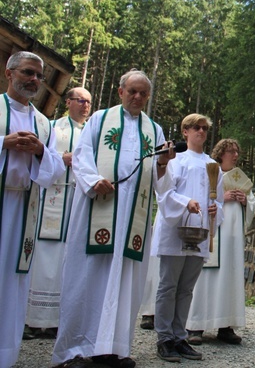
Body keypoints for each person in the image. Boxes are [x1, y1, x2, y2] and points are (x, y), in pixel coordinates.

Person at [52, 69, 174, 368]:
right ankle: (77, 349)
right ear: (120, 92)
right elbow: (81, 156)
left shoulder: (153, 129)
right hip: (99, 209)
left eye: (143, 93)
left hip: (134, 217)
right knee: (88, 278)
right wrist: (94, 180)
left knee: (125, 282)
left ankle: (114, 349)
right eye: (132, 91)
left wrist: (163, 162)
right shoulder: (100, 119)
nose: (137, 97)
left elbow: (161, 180)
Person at [0, 51, 66, 368]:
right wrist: (4, 143)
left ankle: (5, 355)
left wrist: (40, 150)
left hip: (24, 207)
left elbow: (54, 170)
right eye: (28, 72)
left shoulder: (43, 122)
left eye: (39, 76)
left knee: (13, 282)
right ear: (9, 73)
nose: (35, 81)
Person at [151, 113, 224, 362]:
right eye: (195, 127)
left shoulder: (212, 164)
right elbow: (163, 193)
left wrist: (216, 210)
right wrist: (186, 202)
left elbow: (219, 200)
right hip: (175, 230)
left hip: (199, 232)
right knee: (168, 286)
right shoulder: (175, 160)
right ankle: (164, 338)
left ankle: (180, 338)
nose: (201, 131)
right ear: (185, 131)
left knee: (186, 289)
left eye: (204, 128)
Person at [25, 87, 91, 340]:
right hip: (53, 197)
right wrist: (63, 158)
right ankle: (31, 320)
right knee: (43, 257)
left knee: (69, 259)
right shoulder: (53, 127)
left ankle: (55, 321)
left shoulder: (91, 132)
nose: (84, 105)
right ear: (69, 102)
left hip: (77, 199)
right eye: (80, 100)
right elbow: (41, 157)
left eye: (88, 102)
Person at [186, 138, 255, 345]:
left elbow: (251, 202)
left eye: (236, 151)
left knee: (230, 277)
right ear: (220, 153)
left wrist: (245, 201)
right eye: (230, 151)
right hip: (214, 233)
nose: (235, 155)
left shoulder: (239, 177)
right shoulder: (210, 171)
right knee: (205, 276)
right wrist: (220, 197)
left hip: (232, 238)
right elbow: (196, 197)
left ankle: (226, 326)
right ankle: (196, 325)